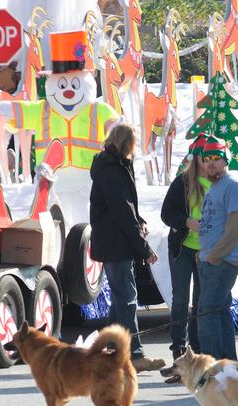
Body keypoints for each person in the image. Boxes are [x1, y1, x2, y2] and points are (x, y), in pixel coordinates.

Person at [89, 121, 165, 373]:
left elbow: (127, 208)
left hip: (113, 242)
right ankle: (133, 354)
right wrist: (143, 247)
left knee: (120, 299)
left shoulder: (113, 165)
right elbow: (122, 211)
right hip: (116, 244)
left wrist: (139, 221)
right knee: (127, 299)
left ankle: (108, 350)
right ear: (127, 144)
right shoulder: (112, 169)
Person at [160, 133, 209, 377]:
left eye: (211, 156)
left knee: (200, 301)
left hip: (207, 250)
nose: (207, 161)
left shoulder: (218, 181)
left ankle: (197, 352)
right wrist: (187, 222)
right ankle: (179, 351)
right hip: (182, 248)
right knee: (180, 300)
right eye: (204, 156)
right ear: (195, 158)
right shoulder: (182, 182)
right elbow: (166, 213)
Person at [196, 135, 238, 362]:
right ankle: (229, 365)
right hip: (210, 260)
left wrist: (215, 255)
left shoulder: (232, 185)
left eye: (216, 157)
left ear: (225, 160)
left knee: (207, 313)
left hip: (222, 261)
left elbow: (237, 225)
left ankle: (212, 367)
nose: (211, 163)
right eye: (207, 158)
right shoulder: (213, 187)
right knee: (219, 310)